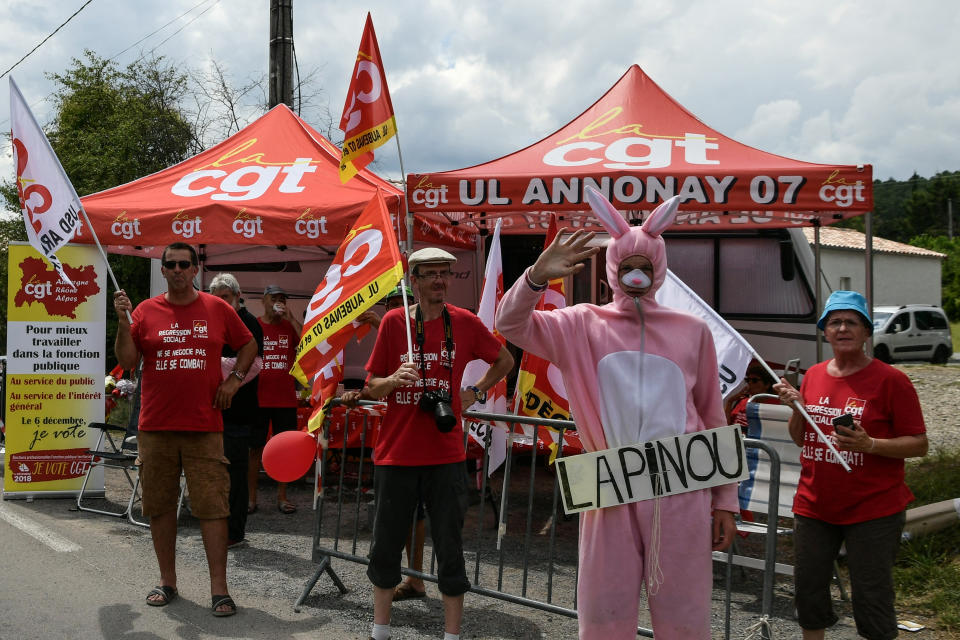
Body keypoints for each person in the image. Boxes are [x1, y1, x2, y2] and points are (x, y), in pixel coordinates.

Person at [495, 190, 738, 640]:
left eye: (645, 266)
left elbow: (711, 414)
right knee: (603, 611)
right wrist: (534, 279)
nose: (636, 275)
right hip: (610, 484)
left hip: (680, 484)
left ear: (660, 269)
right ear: (611, 270)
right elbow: (509, 325)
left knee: (685, 611)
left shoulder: (692, 331)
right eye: (627, 266)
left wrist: (724, 501)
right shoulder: (579, 325)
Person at [362, 248, 514, 640]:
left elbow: (505, 361)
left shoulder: (463, 323)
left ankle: (452, 635)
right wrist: (394, 379)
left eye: (444, 274)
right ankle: (380, 631)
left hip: (446, 455)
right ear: (413, 281)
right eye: (429, 274)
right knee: (385, 545)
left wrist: (475, 394)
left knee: (449, 546)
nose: (439, 281)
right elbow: (371, 385)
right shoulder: (395, 322)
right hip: (395, 455)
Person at [773, 290, 928, 640]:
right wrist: (797, 407)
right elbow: (801, 438)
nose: (843, 328)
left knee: (871, 598)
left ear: (866, 331)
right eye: (835, 322)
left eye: (851, 322)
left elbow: (919, 444)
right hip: (814, 505)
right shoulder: (812, 375)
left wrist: (869, 444)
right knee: (809, 591)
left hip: (873, 509)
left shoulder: (891, 380)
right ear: (824, 331)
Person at [113, 242, 256, 617]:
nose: (177, 270)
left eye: (184, 264)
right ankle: (167, 581)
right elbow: (127, 360)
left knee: (212, 509)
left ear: (196, 271)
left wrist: (234, 381)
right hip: (156, 426)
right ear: (163, 270)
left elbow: (249, 344)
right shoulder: (144, 310)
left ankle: (219, 590)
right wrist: (122, 320)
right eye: (170, 264)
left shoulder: (217, 307)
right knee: (159, 508)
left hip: (204, 425)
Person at [343, 283, 428, 601]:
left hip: (424, 440)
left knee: (417, 514)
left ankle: (418, 579)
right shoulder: (392, 334)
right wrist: (359, 393)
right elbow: (377, 383)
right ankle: (412, 580)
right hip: (396, 442)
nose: (394, 311)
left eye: (399, 305)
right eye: (390, 305)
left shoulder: (421, 332)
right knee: (400, 514)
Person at [209, 273, 264, 548]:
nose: (221, 302)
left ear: (237, 296)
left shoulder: (248, 322)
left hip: (239, 413)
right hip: (213, 413)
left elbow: (254, 365)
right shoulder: (213, 322)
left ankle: (235, 532)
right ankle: (217, 526)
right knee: (216, 473)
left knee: (235, 475)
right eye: (216, 298)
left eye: (226, 298)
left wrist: (209, 364)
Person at [250, 285, 302, 514]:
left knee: (283, 450)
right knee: (254, 449)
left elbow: (308, 343)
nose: (279, 301)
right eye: (274, 298)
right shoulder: (256, 325)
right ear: (264, 300)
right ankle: (251, 499)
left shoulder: (289, 326)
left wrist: (291, 318)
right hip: (258, 399)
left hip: (285, 399)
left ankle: (282, 497)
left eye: (282, 298)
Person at [724, 361, 777, 426]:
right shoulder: (743, 402)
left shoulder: (774, 406)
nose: (750, 383)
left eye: (754, 380)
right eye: (748, 380)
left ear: (767, 385)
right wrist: (730, 401)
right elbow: (726, 425)